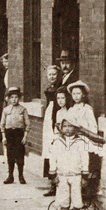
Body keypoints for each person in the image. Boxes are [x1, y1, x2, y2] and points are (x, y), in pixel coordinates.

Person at [49, 118, 89, 210]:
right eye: (65, 126)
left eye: (70, 126)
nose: (67, 128)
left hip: (76, 176)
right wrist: (53, 174)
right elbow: (53, 158)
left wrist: (84, 176)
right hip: (62, 176)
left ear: (76, 128)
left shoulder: (81, 143)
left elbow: (85, 159)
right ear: (61, 128)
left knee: (77, 201)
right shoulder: (57, 142)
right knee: (63, 201)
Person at [66, 80, 100, 185]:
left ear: (83, 95)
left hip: (84, 138)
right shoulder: (71, 109)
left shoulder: (87, 109)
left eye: (78, 93)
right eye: (74, 94)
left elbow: (93, 127)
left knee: (84, 161)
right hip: (72, 139)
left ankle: (86, 185)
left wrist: (84, 133)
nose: (76, 96)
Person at [0, 87, 30, 184]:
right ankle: (10, 176)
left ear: (19, 98)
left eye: (16, 97)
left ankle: (21, 176)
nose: (14, 99)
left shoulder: (23, 110)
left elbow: (28, 124)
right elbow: (2, 124)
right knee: (10, 156)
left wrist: (25, 136)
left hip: (19, 134)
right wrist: (4, 136)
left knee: (20, 156)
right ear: (8, 99)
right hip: (9, 134)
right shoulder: (6, 110)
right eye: (11, 97)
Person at [43, 65, 62, 196]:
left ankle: (57, 184)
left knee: (55, 149)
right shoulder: (49, 88)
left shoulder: (60, 89)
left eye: (54, 74)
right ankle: (51, 183)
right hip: (48, 118)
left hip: (55, 117)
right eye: (50, 74)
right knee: (48, 149)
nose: (52, 77)